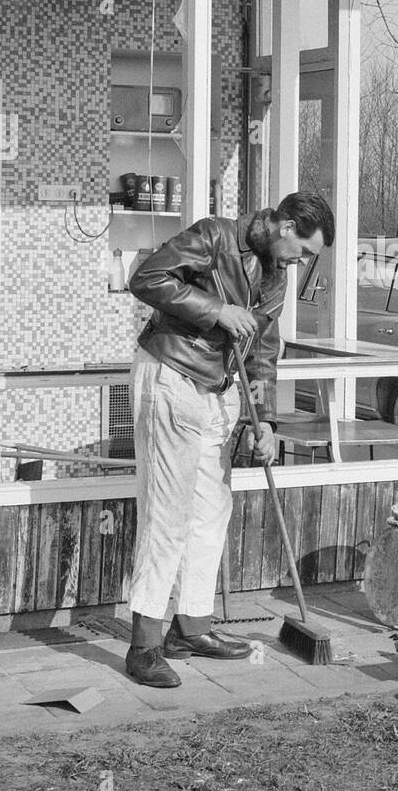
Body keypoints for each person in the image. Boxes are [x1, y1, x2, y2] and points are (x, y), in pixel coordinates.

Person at [123, 192, 334, 687]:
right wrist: (215, 309)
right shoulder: (216, 236)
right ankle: (143, 644)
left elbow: (262, 350)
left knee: (212, 509)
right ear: (285, 226)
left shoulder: (276, 278)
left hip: (218, 392)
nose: (301, 263)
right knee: (166, 513)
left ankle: (192, 626)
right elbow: (147, 278)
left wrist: (264, 421)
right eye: (302, 250)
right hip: (171, 375)